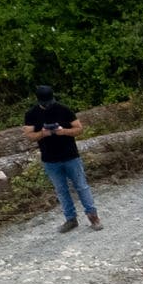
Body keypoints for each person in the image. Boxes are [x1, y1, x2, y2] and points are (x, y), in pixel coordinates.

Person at [26, 88, 98, 231]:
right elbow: (29, 135)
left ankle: (93, 217)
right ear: (39, 100)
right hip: (50, 159)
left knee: (82, 186)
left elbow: (79, 129)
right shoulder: (31, 114)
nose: (48, 105)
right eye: (45, 103)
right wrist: (43, 133)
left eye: (50, 102)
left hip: (71, 156)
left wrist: (63, 131)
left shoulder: (63, 109)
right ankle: (70, 219)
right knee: (61, 190)